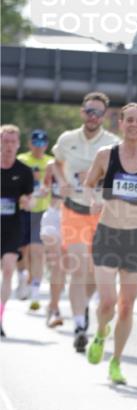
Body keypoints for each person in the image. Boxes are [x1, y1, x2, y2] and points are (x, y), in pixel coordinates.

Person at [83, 103, 137, 385]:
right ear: (120, 123)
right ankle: (99, 333)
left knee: (126, 306)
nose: (134, 125)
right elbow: (87, 185)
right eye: (129, 120)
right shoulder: (105, 156)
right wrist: (93, 200)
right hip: (108, 233)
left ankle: (117, 361)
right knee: (108, 301)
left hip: (136, 238)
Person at [52, 93, 119, 352]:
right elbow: (56, 163)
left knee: (94, 273)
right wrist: (64, 181)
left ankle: (84, 306)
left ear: (104, 117)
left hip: (102, 213)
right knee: (77, 269)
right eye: (90, 111)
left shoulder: (113, 144)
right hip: (73, 210)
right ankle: (79, 325)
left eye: (98, 113)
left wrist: (95, 179)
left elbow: (117, 175)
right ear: (83, 112)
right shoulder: (67, 139)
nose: (93, 117)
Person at [1, 125, 36, 337]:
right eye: (5, 141)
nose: (9, 146)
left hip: (13, 225)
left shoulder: (24, 171)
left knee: (7, 269)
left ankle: (0, 316)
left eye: (13, 142)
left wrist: (27, 202)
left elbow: (29, 200)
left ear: (18, 145)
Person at [17, 128, 51, 309]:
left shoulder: (51, 162)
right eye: (35, 143)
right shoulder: (22, 160)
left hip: (41, 211)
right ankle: (22, 276)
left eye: (42, 143)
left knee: (38, 251)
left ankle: (36, 292)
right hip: (22, 210)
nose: (38, 147)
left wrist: (47, 189)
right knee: (23, 250)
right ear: (29, 143)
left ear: (46, 145)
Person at [40, 159, 66, 327]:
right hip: (53, 215)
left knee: (65, 266)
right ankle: (55, 308)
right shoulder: (52, 166)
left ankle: (52, 305)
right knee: (57, 264)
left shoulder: (86, 164)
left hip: (74, 218)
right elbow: (45, 188)